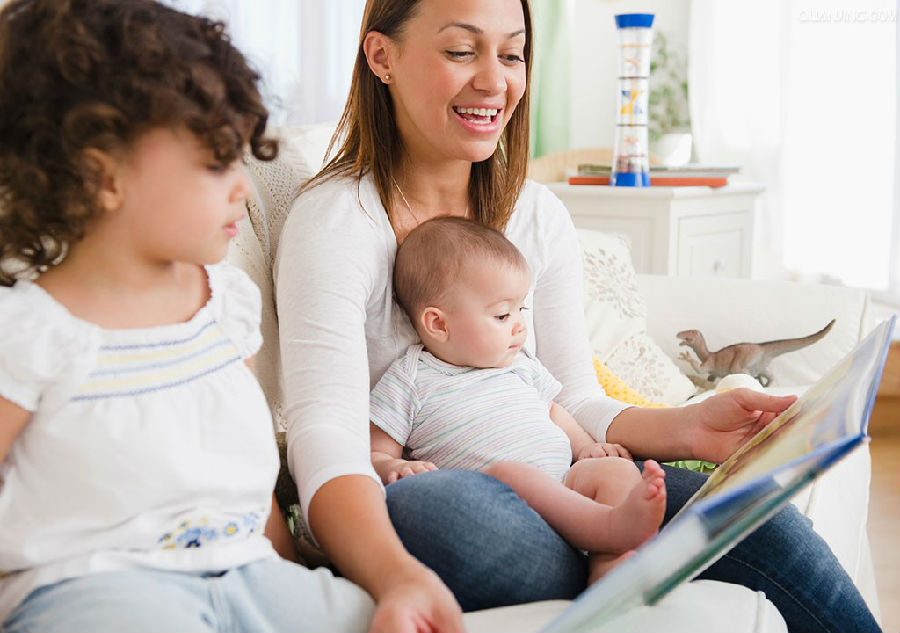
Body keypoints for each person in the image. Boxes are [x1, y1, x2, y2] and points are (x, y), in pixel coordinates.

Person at [274, 1, 881, 632]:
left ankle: (618, 544)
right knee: (438, 511)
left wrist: (691, 430)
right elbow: (330, 441)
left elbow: (573, 398)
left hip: (575, 484)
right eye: (461, 51)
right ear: (381, 57)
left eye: (512, 55)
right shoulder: (337, 222)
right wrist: (396, 571)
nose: (494, 80)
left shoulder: (535, 216)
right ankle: (621, 553)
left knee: (760, 515)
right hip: (459, 498)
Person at [0, 2, 375, 632]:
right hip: (95, 588)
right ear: (102, 175)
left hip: (246, 572)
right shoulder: (32, 332)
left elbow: (244, 488)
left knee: (365, 615)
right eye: (216, 162)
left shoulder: (225, 304)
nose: (245, 187)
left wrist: (295, 581)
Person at [369, 216, 667, 583]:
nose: (520, 325)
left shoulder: (520, 365)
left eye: (520, 310)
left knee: (616, 471)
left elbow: (553, 410)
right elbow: (376, 452)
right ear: (439, 324)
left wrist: (588, 447)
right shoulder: (411, 378)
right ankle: (610, 528)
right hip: (501, 504)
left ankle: (611, 580)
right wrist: (391, 468)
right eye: (501, 314)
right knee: (512, 472)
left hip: (564, 484)